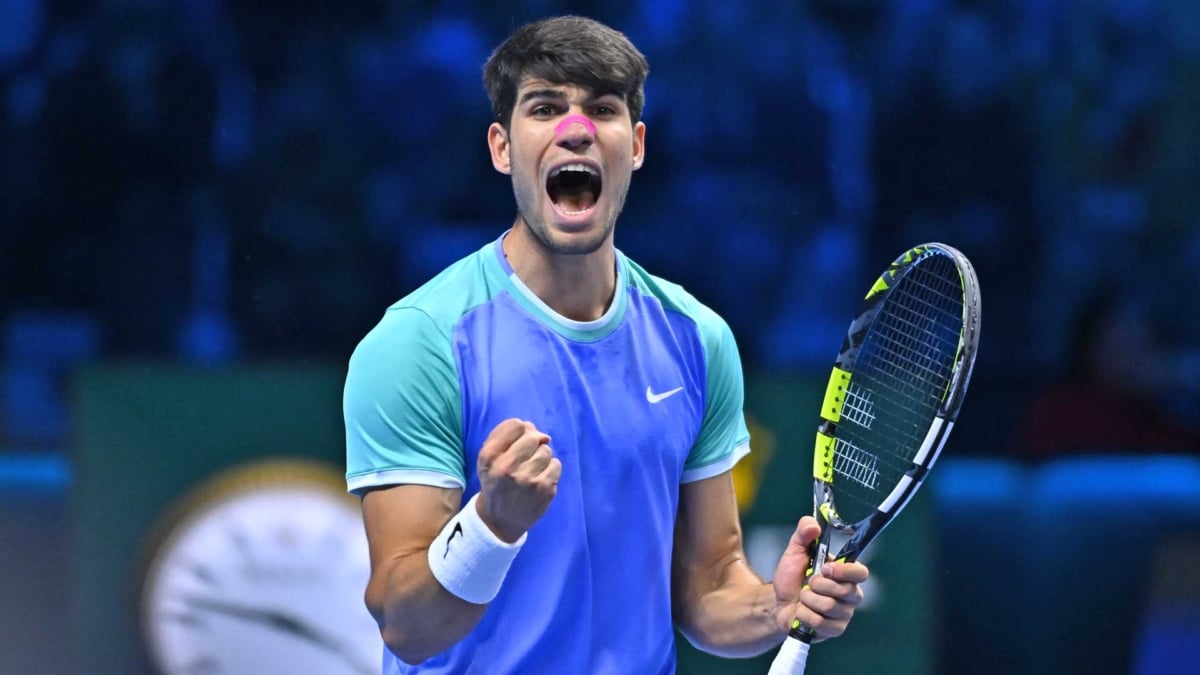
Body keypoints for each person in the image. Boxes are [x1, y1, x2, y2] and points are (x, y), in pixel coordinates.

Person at [343, 15, 869, 673]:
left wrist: (775, 606)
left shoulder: (698, 339)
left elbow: (708, 588)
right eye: (544, 107)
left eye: (602, 109)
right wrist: (491, 526)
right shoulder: (418, 344)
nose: (576, 129)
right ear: (502, 148)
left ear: (637, 144)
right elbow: (406, 624)